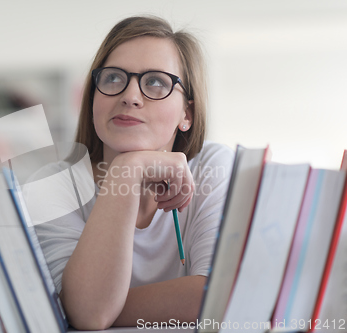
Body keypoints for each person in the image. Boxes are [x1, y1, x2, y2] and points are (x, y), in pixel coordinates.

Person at [29, 15, 234, 330]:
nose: (130, 96)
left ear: (187, 114)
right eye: (113, 78)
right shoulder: (54, 185)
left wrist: (93, 305)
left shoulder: (212, 167)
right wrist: (128, 169)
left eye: (155, 82)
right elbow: (90, 315)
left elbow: (217, 297)